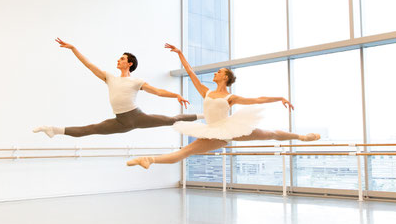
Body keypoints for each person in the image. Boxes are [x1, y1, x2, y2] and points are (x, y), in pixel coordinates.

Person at [126, 43, 320, 169]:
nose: (215, 73)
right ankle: (149, 159)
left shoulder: (231, 97)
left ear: (225, 77)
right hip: (213, 132)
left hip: (231, 127)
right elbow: (191, 73)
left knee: (269, 133)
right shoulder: (206, 91)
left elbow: (257, 99)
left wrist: (279, 98)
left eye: (219, 71)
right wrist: (180, 54)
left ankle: (302, 136)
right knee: (186, 151)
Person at [33, 38, 200, 138]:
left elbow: (157, 91)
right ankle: (53, 130)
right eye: (119, 59)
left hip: (137, 117)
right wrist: (74, 49)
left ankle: (201, 115)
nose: (118, 61)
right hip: (120, 122)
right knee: (90, 129)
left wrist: (176, 95)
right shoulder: (110, 78)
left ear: (129, 63)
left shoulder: (136, 81)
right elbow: (89, 65)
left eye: (122, 59)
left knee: (171, 120)